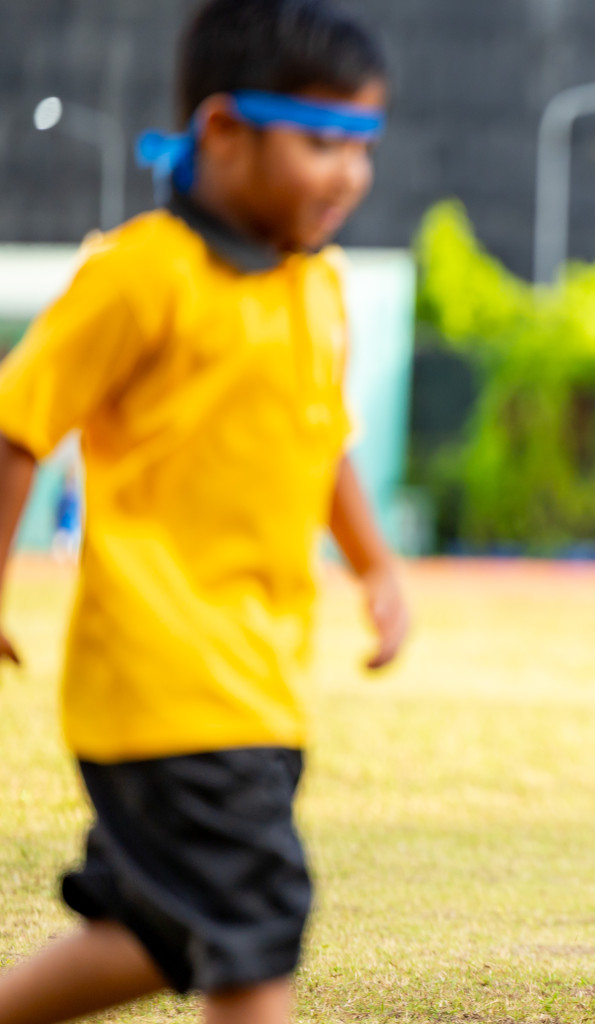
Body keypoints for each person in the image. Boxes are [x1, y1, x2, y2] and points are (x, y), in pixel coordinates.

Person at [0, 2, 409, 1022]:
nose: (349, 175)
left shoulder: (318, 286)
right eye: (322, 141)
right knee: (259, 916)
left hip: (260, 676)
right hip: (164, 673)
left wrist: (376, 566)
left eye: (364, 146)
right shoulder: (143, 275)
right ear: (224, 130)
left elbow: (324, 445)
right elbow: (17, 426)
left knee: (159, 932)